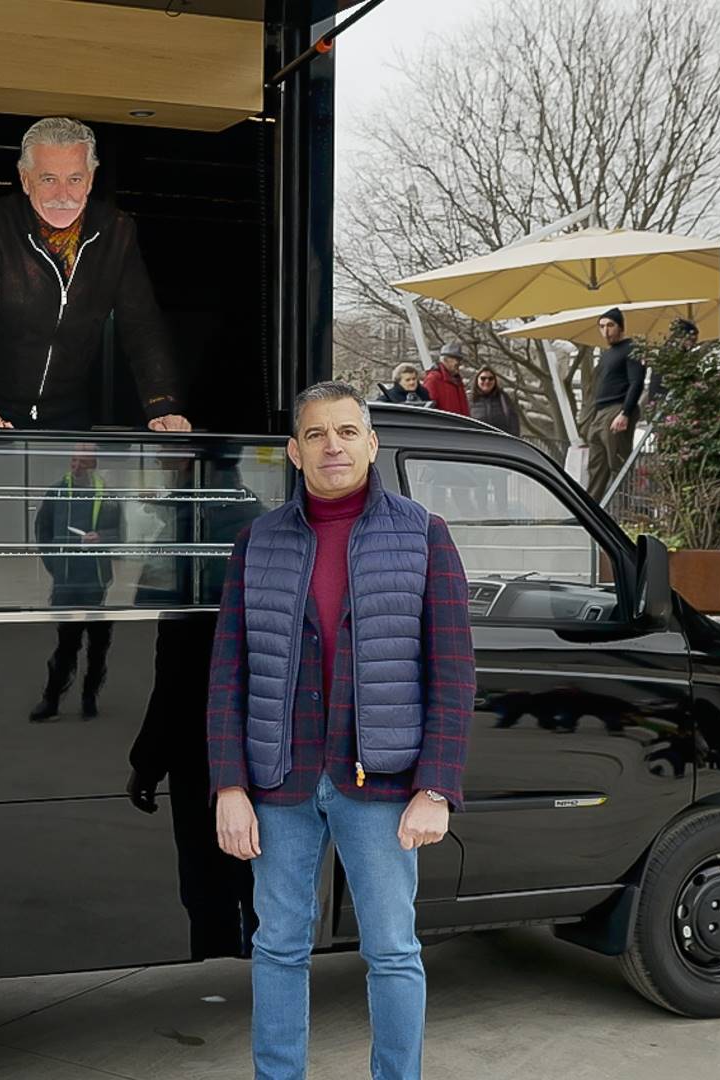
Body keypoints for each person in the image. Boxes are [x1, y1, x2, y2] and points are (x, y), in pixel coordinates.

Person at [208, 381, 474, 1080]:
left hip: (382, 782)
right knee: (277, 947)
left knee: (392, 951)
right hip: (280, 778)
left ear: (372, 443)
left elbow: (452, 674)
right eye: (317, 434)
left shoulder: (423, 534)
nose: (334, 446)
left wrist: (436, 788)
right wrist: (229, 786)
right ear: (295, 452)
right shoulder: (257, 542)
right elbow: (228, 673)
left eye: (348, 431)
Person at [0, 117, 190, 432]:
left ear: (90, 180)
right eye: (49, 179)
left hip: (70, 415)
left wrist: (163, 405)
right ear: (25, 179)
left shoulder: (116, 231)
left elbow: (142, 327)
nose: (63, 194)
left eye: (75, 179)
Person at [30, 444, 123, 720]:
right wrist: (56, 566)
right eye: (73, 460)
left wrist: (102, 537)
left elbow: (119, 534)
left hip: (95, 582)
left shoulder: (107, 496)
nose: (76, 466)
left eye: (83, 462)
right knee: (67, 643)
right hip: (66, 582)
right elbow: (43, 531)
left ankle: (89, 697)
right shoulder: (57, 492)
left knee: (98, 645)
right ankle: (51, 700)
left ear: (94, 465)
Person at [581, 306, 645, 500]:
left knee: (618, 464)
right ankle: (591, 509)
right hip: (600, 412)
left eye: (610, 325)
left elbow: (636, 382)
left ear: (620, 327)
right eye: (601, 326)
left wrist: (625, 413)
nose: (606, 331)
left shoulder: (631, 348)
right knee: (595, 467)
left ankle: (624, 511)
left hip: (617, 409)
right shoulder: (607, 354)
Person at [468, 367, 521, 516]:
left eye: (490, 379)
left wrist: (513, 443)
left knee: (500, 485)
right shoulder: (470, 399)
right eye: (483, 378)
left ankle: (502, 515)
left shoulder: (503, 398)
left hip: (499, 449)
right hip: (478, 450)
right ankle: (482, 515)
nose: (487, 382)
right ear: (477, 380)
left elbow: (513, 422)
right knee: (480, 486)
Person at [422, 342, 470, 416]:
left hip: (460, 422)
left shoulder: (457, 381)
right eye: (455, 359)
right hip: (445, 423)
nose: (458, 363)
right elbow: (427, 410)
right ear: (445, 360)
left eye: (459, 359)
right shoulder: (433, 379)